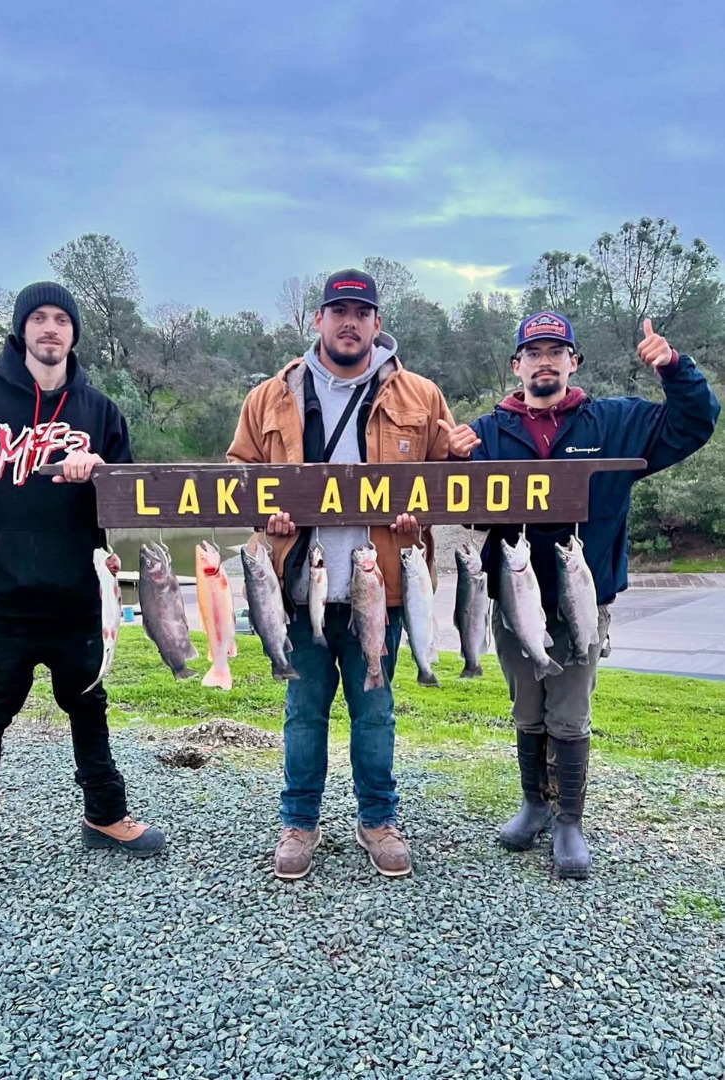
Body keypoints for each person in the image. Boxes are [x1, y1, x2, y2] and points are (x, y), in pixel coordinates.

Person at [441, 311, 720, 878]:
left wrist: (674, 368)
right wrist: (453, 459)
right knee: (527, 709)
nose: (545, 360)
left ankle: (570, 818)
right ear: (516, 365)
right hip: (515, 598)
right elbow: (454, 502)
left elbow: (693, 425)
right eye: (533, 351)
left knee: (570, 711)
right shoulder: (488, 433)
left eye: (556, 350)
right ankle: (534, 805)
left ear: (574, 361)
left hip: (582, 599)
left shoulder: (615, 422)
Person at [0, 281, 166, 911]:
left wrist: (102, 476)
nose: (51, 329)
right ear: (22, 331)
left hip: (78, 594)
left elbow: (130, 505)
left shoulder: (101, 412)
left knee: (89, 706)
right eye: (40, 319)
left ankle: (105, 815)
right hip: (2, 597)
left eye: (62, 319)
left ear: (74, 333)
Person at [228, 269, 455, 880]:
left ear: (377, 324)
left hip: (381, 584)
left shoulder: (422, 397)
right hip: (298, 588)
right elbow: (235, 481)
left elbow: (451, 485)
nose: (349, 321)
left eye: (361, 311)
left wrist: (421, 517)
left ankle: (378, 819)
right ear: (318, 321)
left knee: (375, 709)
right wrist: (264, 518)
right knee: (304, 713)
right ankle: (299, 822)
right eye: (338, 310)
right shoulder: (267, 397)